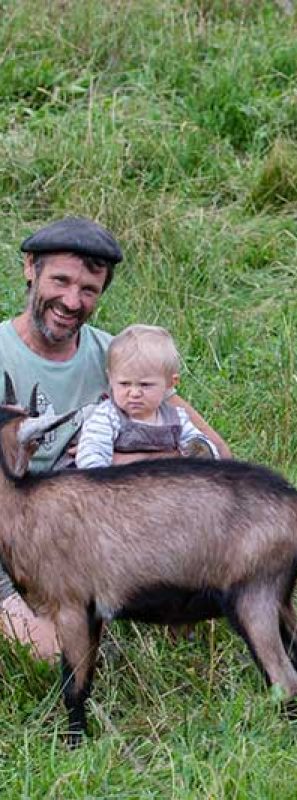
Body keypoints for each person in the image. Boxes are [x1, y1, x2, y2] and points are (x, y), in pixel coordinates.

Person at [0, 217, 230, 659]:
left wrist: (129, 467)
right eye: (61, 281)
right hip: (10, 546)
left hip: (92, 542)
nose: (71, 301)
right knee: (56, 656)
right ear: (30, 268)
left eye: (89, 289)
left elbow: (216, 455)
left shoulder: (120, 360)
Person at [76, 324, 218, 468]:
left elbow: (202, 446)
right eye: (125, 384)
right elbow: (91, 454)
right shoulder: (107, 417)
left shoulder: (176, 418)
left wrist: (201, 450)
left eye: (145, 385)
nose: (134, 393)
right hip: (119, 486)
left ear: (170, 383)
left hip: (168, 485)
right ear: (111, 379)